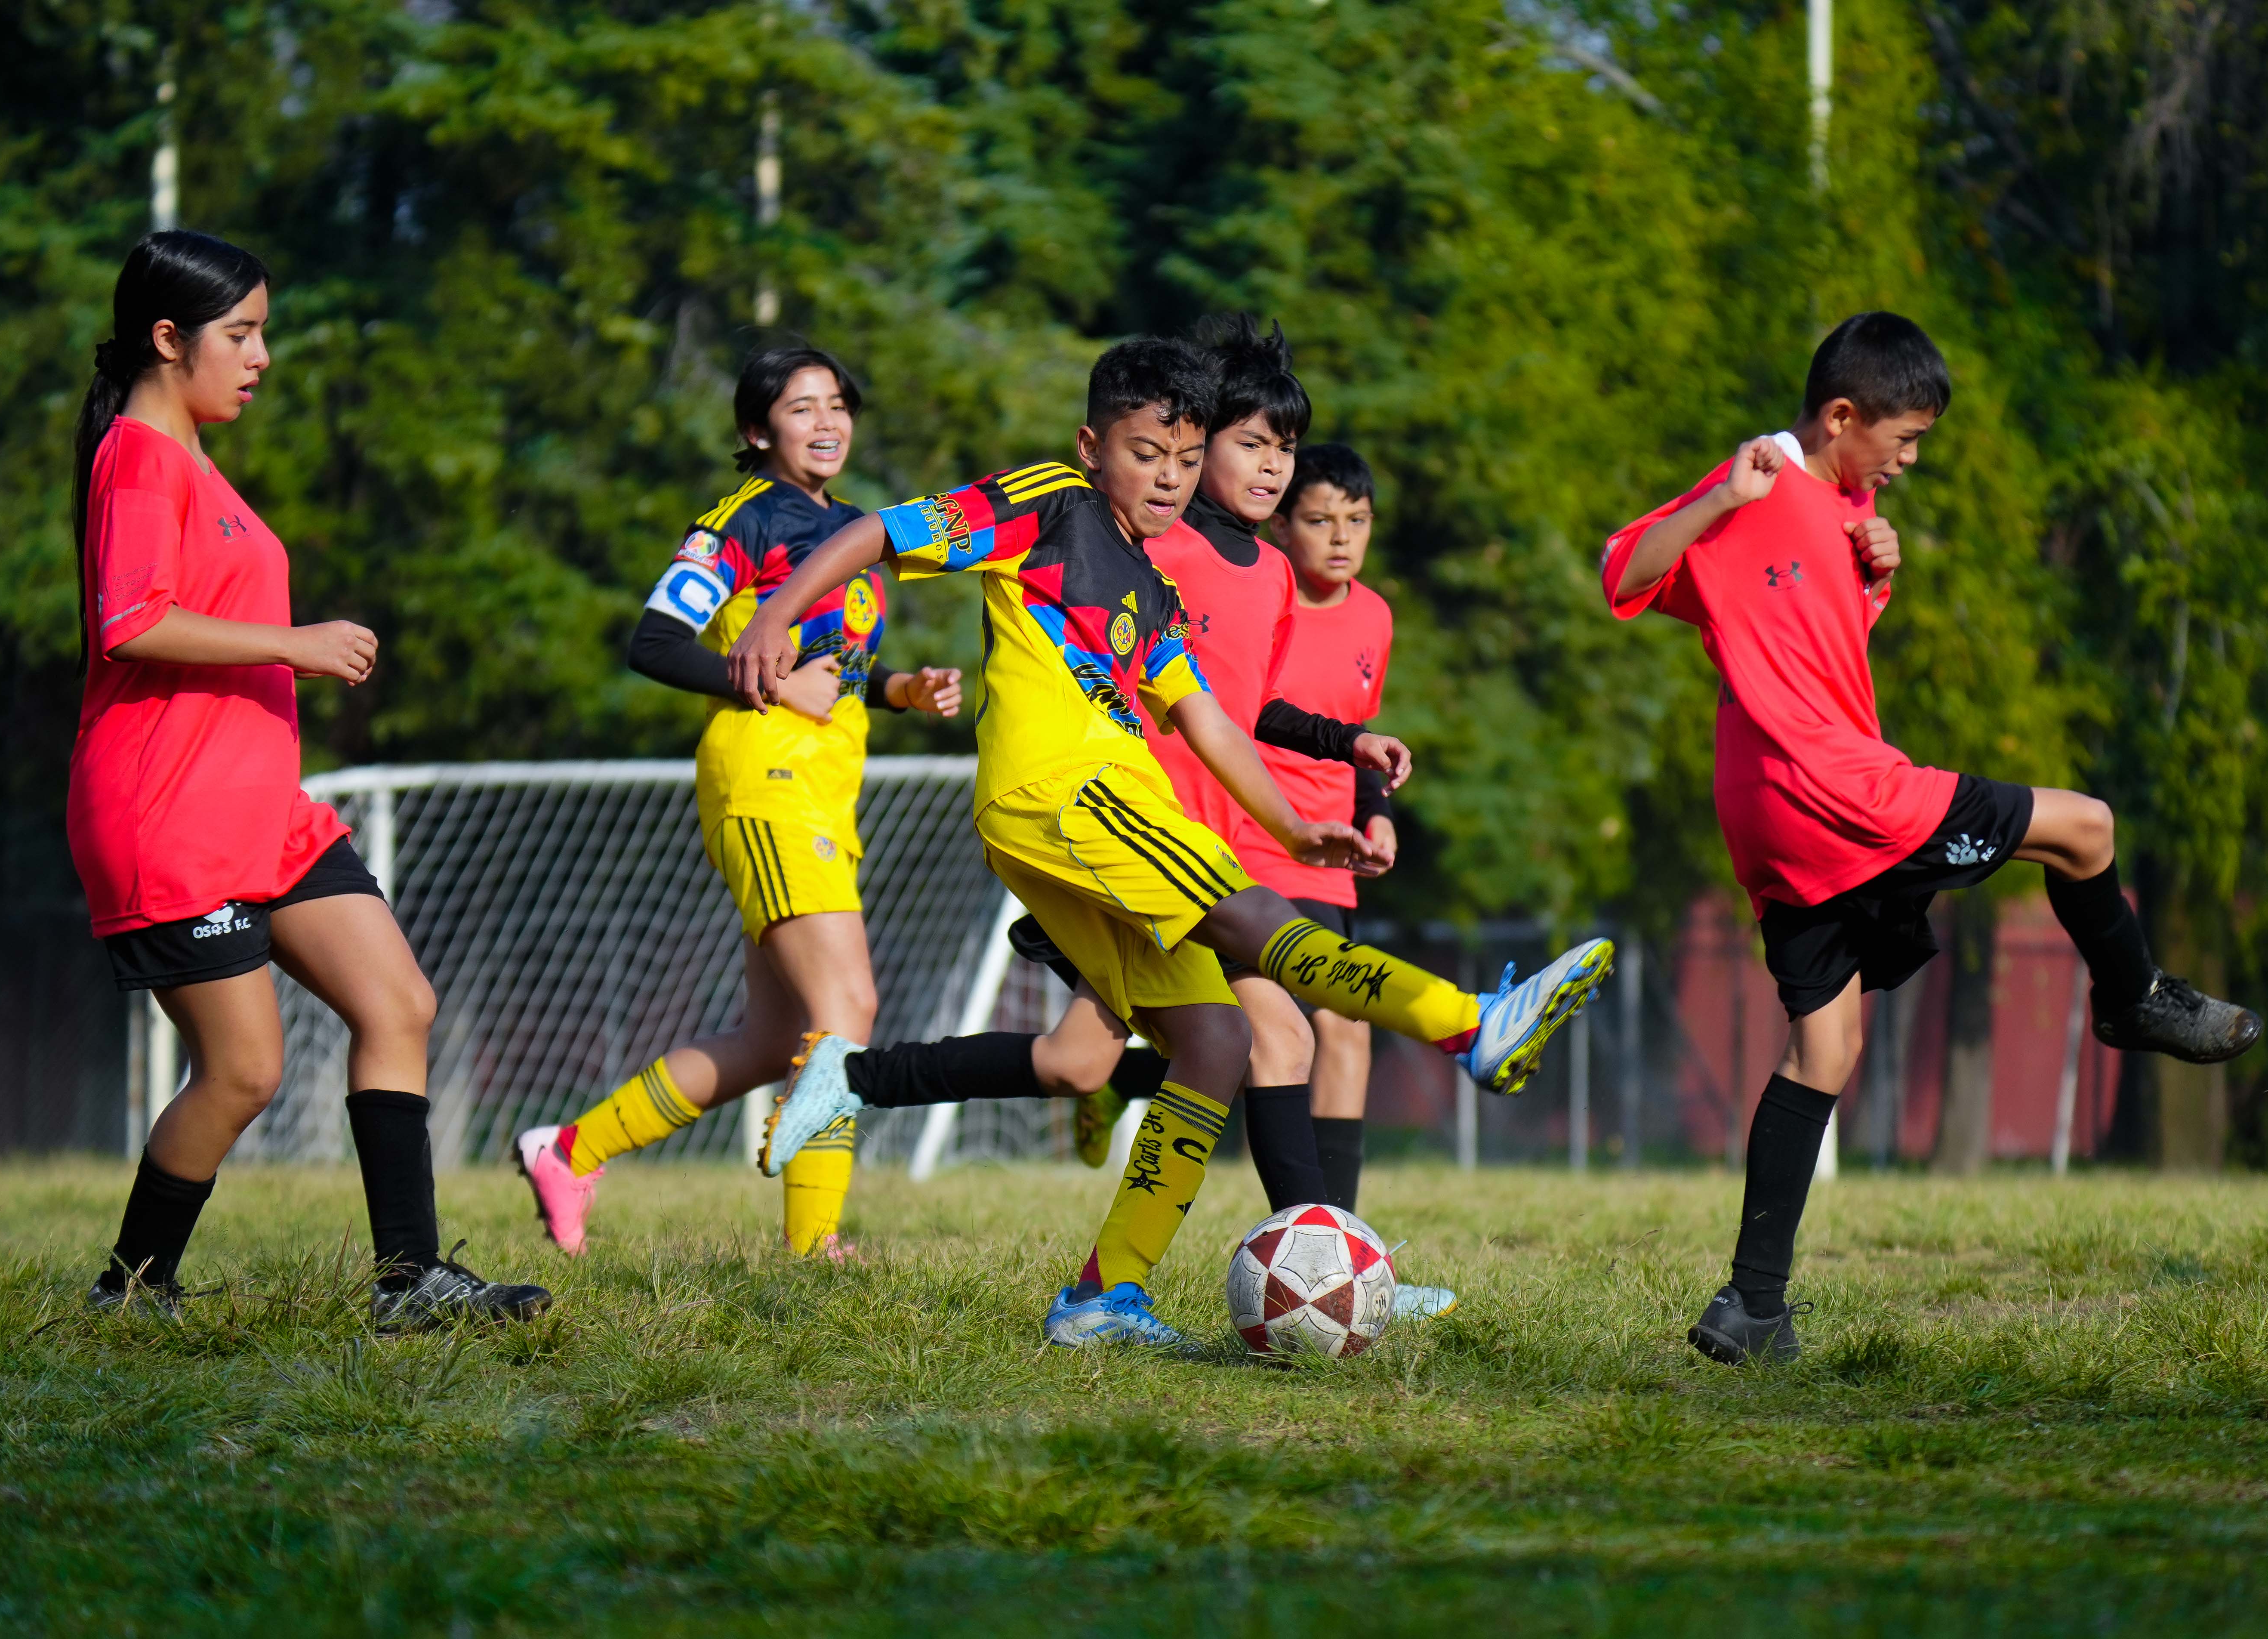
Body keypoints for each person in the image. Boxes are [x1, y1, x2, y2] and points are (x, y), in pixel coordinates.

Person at [723, 337, 1614, 1347]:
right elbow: (874, 537)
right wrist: (776, 621)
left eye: (1185, 460)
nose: (1168, 478)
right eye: (1147, 453)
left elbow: (1209, 724)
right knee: (1251, 927)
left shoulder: (1149, 590)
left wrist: (1296, 829)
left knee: (1216, 1040)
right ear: (1092, 444)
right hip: (1066, 795)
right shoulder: (1049, 500)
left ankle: (1099, 1296)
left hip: (1098, 808)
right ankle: (1466, 1024)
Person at [1600, 311, 2262, 1367]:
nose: (1908, 462)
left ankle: (1750, 1307)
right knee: (2085, 828)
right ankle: (2132, 999)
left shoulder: (1836, 504)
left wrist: (1871, 573)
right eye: (1902, 440)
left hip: (1768, 809)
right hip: (1835, 790)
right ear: (1841, 415)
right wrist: (1726, 493)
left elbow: (1802, 636)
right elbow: (1622, 567)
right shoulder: (1764, 476)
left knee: (1828, 1045)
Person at [70, 230, 549, 1330]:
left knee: (399, 1004)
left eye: (262, 333)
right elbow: (132, 623)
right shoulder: (138, 457)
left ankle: (410, 1281)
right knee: (243, 1073)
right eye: (240, 334)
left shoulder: (194, 459)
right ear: (165, 338)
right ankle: (128, 1293)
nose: (261, 357)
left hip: (263, 814)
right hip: (169, 815)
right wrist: (296, 643)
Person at [511, 346, 961, 1260]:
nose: (828, 423)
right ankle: (814, 1245)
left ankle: (569, 1150)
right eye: (802, 409)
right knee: (849, 1005)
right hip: (766, 779)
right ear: (758, 431)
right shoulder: (742, 523)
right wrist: (760, 686)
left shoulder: (853, 529)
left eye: (838, 404)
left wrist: (898, 690)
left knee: (771, 1041)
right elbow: (654, 643)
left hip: (823, 788)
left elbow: (826, 672)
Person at [1239, 441, 1396, 1220]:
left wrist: (1377, 813)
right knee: (1251, 1035)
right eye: (1320, 519)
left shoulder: (1375, 615)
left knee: (1344, 1027)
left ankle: (1339, 1238)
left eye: (1357, 520)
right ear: (1280, 526)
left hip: (1326, 859)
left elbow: (1356, 732)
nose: (1341, 537)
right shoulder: (1259, 596)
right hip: (1251, 839)